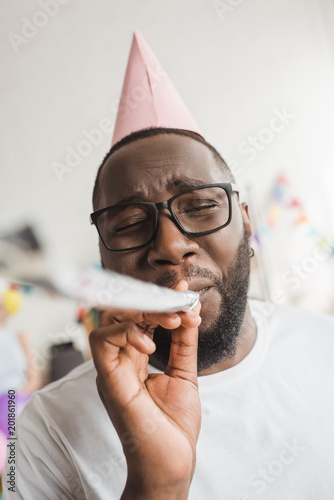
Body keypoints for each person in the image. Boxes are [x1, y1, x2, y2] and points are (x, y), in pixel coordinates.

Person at [3, 31, 334, 500]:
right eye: (131, 222)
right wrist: (157, 485)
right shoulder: (41, 431)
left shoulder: (328, 349)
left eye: (200, 206)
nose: (172, 245)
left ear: (247, 226)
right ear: (103, 260)